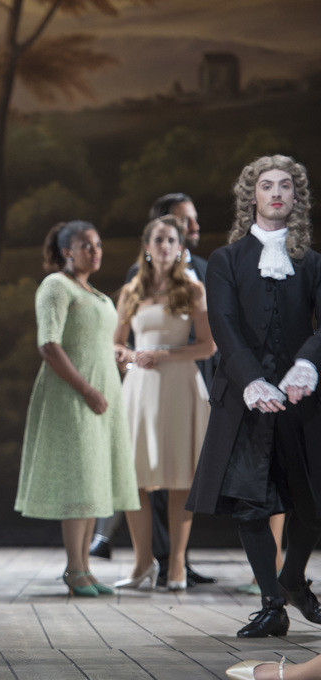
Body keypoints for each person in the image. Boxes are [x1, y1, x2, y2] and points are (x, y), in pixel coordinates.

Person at [186, 155, 321, 638]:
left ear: (296, 197)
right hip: (245, 398)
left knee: (312, 504)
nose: (276, 193)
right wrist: (250, 380)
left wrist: (307, 364)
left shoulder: (312, 262)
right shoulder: (226, 260)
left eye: (285, 185)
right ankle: (272, 605)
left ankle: (293, 579)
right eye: (267, 185)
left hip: (301, 397)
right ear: (252, 196)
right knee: (250, 505)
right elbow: (223, 325)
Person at [90, 193, 220, 588]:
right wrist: (129, 357)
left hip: (181, 386)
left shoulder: (193, 290)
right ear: (146, 247)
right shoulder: (132, 290)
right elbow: (115, 344)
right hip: (141, 389)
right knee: (135, 479)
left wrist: (163, 354)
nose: (165, 246)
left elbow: (208, 346)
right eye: (158, 240)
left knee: (180, 478)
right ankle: (142, 563)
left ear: (180, 249)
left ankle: (177, 566)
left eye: (172, 241)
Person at [14, 220, 138, 597]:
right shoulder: (56, 285)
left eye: (98, 244)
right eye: (87, 245)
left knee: (94, 482)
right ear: (67, 251)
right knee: (79, 483)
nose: (95, 251)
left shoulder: (97, 295)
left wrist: (117, 355)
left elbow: (94, 341)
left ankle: (85, 568)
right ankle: (73, 569)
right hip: (74, 396)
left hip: (102, 397)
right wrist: (86, 389)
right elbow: (49, 345)